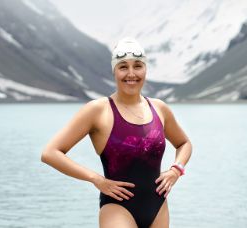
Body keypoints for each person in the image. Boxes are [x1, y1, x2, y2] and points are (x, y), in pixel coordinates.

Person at [41, 37, 192, 228]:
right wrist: (96, 179)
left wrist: (176, 170)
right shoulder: (98, 110)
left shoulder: (159, 108)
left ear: (145, 69)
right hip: (117, 208)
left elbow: (184, 144)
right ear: (114, 71)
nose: (131, 73)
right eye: (123, 67)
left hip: (158, 206)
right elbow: (50, 153)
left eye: (138, 66)